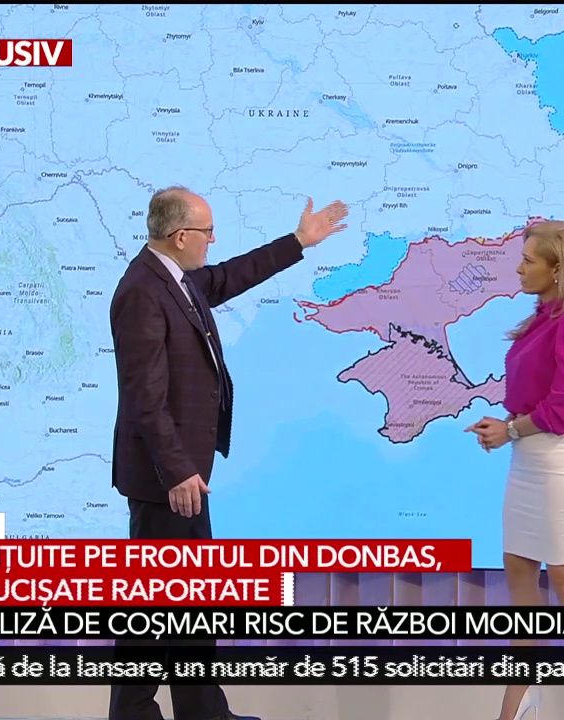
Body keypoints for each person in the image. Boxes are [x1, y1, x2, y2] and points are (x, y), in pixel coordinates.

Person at [108, 186, 348, 720]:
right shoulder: (142, 291)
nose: (213, 241)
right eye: (207, 232)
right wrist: (176, 470)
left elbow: (230, 277)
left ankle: (198, 711)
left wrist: (298, 241)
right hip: (166, 479)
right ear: (180, 236)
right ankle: (137, 713)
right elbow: (144, 396)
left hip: (184, 474)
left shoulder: (176, 278)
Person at [466, 220, 564, 720]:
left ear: (557, 268)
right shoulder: (540, 319)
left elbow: (562, 410)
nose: (519, 268)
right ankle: (521, 696)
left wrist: (510, 430)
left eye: (529, 260)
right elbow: (532, 399)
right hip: (527, 463)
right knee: (520, 577)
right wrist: (505, 427)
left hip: (560, 466)